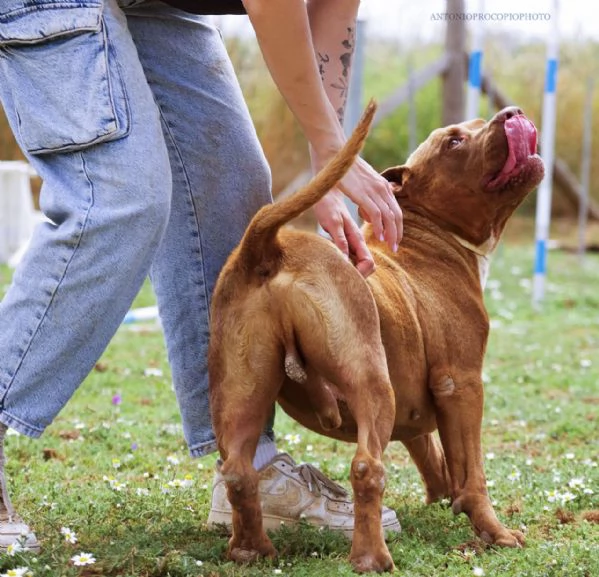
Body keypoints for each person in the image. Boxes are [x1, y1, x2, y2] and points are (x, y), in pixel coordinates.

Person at [0, 0, 403, 550]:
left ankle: (248, 465)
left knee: (231, 183)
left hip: (157, 6)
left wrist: (325, 161)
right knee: (119, 198)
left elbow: (333, 8)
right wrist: (334, 143)